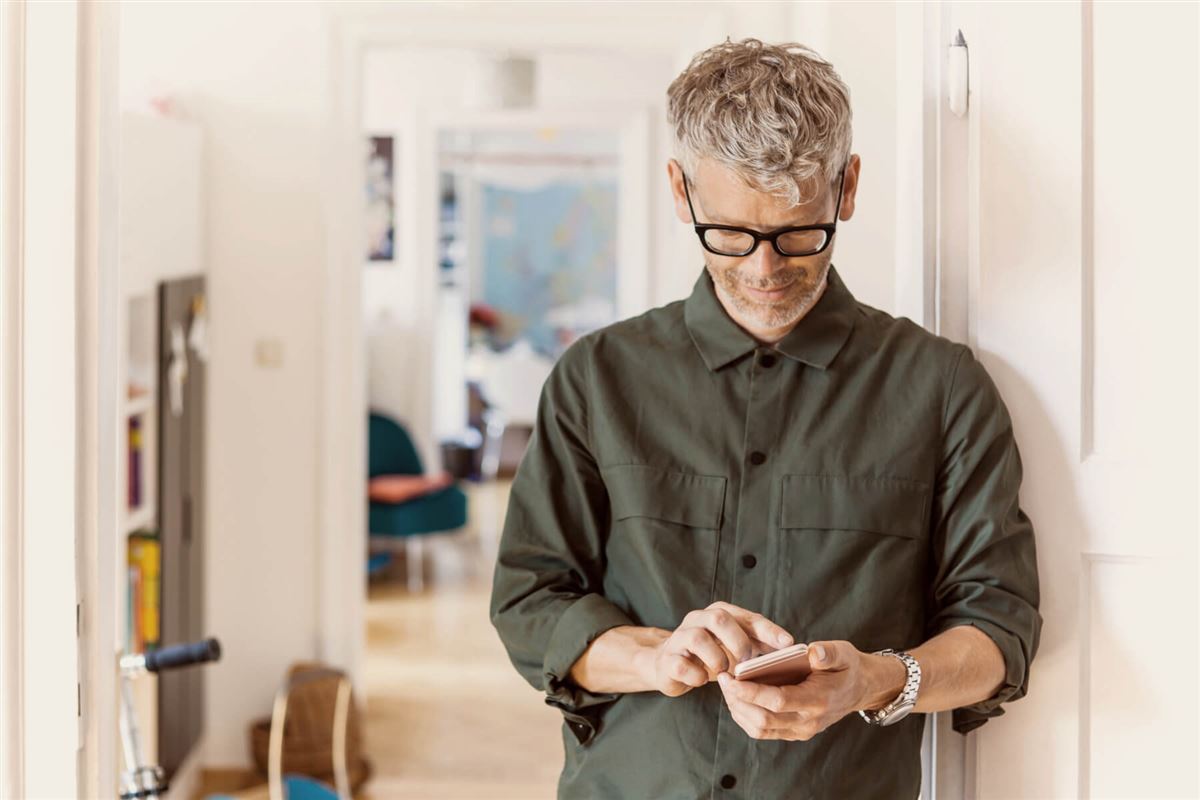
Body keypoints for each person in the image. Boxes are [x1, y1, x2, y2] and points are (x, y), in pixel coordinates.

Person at [489, 37, 1041, 799]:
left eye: (797, 234)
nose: (763, 270)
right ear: (681, 192)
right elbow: (529, 600)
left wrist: (877, 680)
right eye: (731, 234)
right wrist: (654, 657)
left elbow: (1002, 630)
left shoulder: (943, 388)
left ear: (846, 189)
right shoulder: (597, 378)